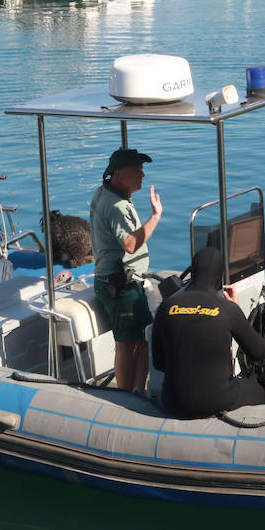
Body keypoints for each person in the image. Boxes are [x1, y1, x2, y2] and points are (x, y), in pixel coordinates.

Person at [151, 246, 265, 419]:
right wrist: (238, 311)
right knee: (258, 391)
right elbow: (259, 352)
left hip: (173, 402)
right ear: (220, 276)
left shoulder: (166, 306)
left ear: (193, 271)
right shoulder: (228, 308)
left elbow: (159, 364)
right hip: (218, 400)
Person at [89, 147, 163, 392]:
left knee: (142, 339)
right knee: (126, 343)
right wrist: (155, 216)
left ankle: (138, 391)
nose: (142, 175)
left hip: (126, 281)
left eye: (142, 170)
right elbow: (130, 244)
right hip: (120, 285)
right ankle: (127, 396)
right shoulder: (116, 206)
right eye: (136, 171)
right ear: (118, 174)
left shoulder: (106, 193)